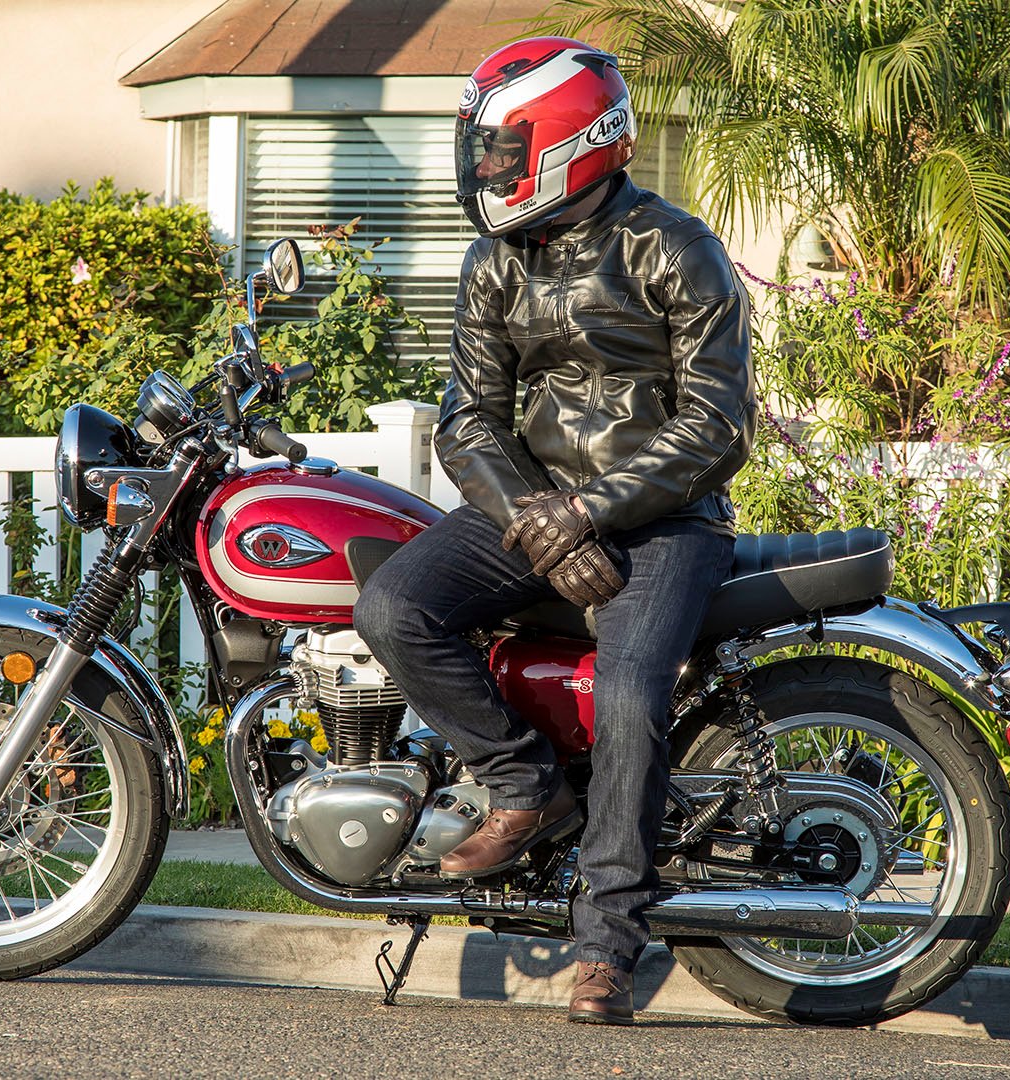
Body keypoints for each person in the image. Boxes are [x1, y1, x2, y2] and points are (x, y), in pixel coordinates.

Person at [353, 35, 755, 1026]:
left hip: (667, 522)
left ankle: (607, 943)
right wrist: (540, 519)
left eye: (502, 147)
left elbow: (718, 425)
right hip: (528, 509)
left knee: (627, 694)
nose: (484, 167)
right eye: (481, 147)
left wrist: (587, 510)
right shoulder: (496, 261)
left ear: (574, 140)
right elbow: (469, 421)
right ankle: (526, 784)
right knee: (394, 605)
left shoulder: (674, 245)